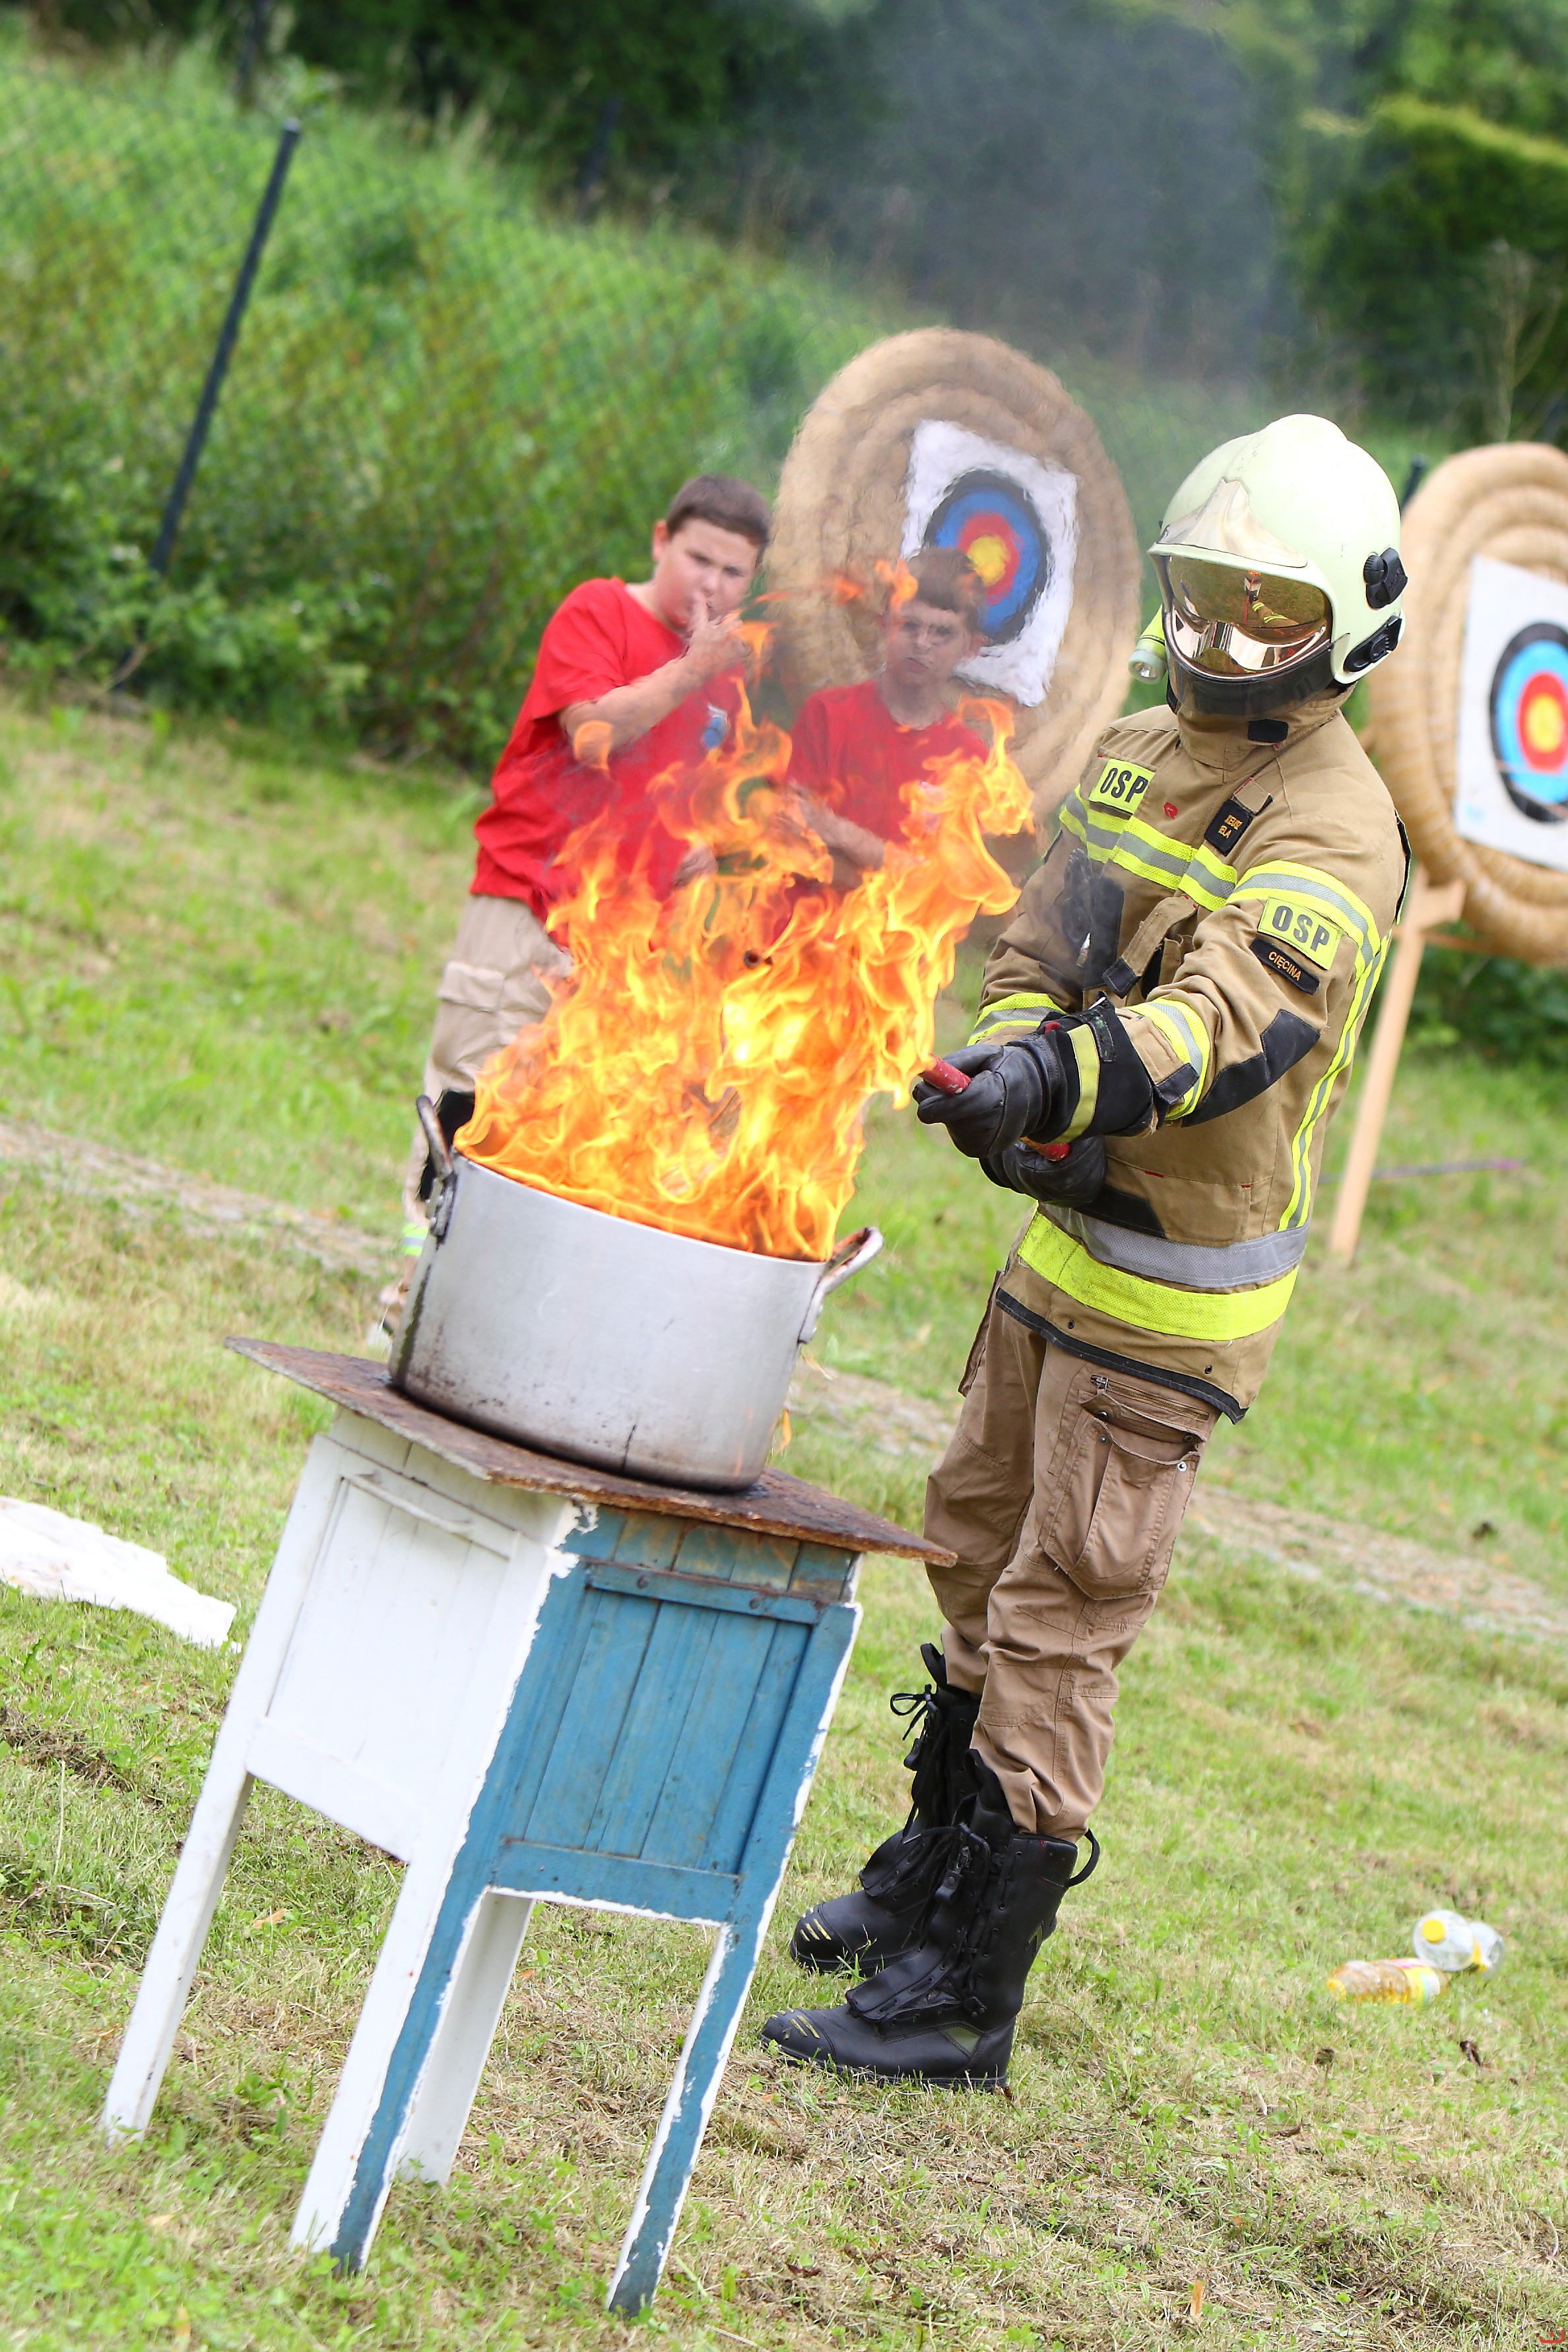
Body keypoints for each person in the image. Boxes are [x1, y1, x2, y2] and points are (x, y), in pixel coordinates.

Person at [762, 413, 1411, 2088]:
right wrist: (1011, 1056)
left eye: (1271, 615)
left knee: (1063, 1614)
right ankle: (931, 1874)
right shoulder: (1133, 747)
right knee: (975, 1546)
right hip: (1063, 1249)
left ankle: (963, 1995)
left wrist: (1060, 1081)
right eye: (1206, 599)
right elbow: (1041, 940)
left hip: (1169, 1298)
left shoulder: (1339, 823)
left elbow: (1231, 1021)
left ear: (1347, 627)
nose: (1225, 642)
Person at [392, 473, 771, 1278]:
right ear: (660, 540)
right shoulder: (599, 611)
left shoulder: (729, 676)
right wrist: (691, 669)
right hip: (531, 909)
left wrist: (713, 840)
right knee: (471, 1107)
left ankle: (503, 1299)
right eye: (698, 558)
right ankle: (412, 1294)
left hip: (623, 953)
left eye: (732, 571)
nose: (710, 584)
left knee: (567, 1132)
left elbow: (715, 785)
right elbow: (593, 732)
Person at [781, 547, 988, 890]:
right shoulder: (828, 714)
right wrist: (895, 871)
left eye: (942, 632)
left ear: (971, 647)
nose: (923, 643)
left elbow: (941, 889)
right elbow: (791, 847)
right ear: (884, 624)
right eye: (910, 625)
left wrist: (841, 833)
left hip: (901, 928)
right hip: (804, 922)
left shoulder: (970, 757)